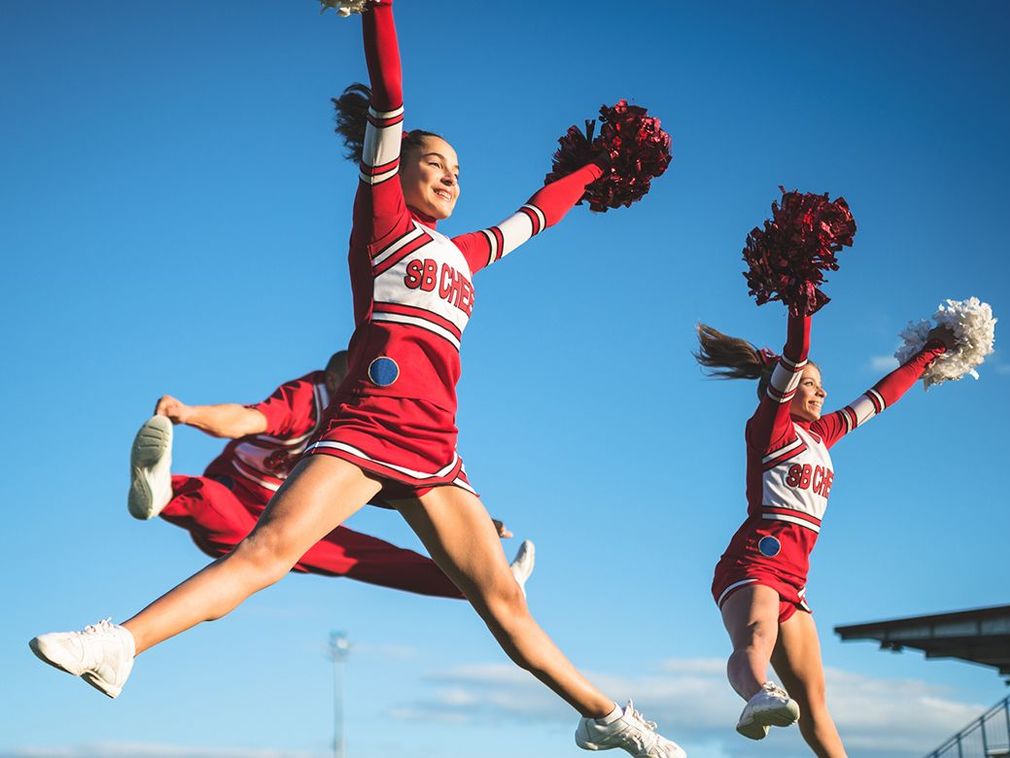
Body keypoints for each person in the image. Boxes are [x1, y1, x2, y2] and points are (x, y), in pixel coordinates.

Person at [30, 2, 684, 755]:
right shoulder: (382, 226)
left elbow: (540, 211)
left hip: (437, 451)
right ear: (395, 167)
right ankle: (120, 644)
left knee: (503, 598)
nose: (448, 176)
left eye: (458, 172)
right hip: (364, 429)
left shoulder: (464, 254)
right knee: (267, 553)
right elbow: (391, 94)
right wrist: (379, 8)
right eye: (431, 163)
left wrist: (603, 163)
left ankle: (607, 719)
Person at [699, 309, 955, 756]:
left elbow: (881, 397)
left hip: (795, 578)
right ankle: (757, 697)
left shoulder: (822, 433)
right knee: (756, 638)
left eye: (821, 384)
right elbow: (796, 353)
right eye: (811, 383)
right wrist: (800, 304)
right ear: (787, 385)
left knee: (814, 702)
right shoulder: (769, 429)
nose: (822, 390)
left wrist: (930, 353)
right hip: (755, 560)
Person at [128, 350, 533, 599]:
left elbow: (397, 485)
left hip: (290, 512)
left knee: (367, 558)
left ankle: (486, 583)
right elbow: (244, 420)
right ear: (337, 382)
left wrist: (472, 520)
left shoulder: (364, 420)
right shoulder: (308, 399)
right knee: (212, 504)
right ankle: (162, 492)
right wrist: (189, 414)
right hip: (237, 495)